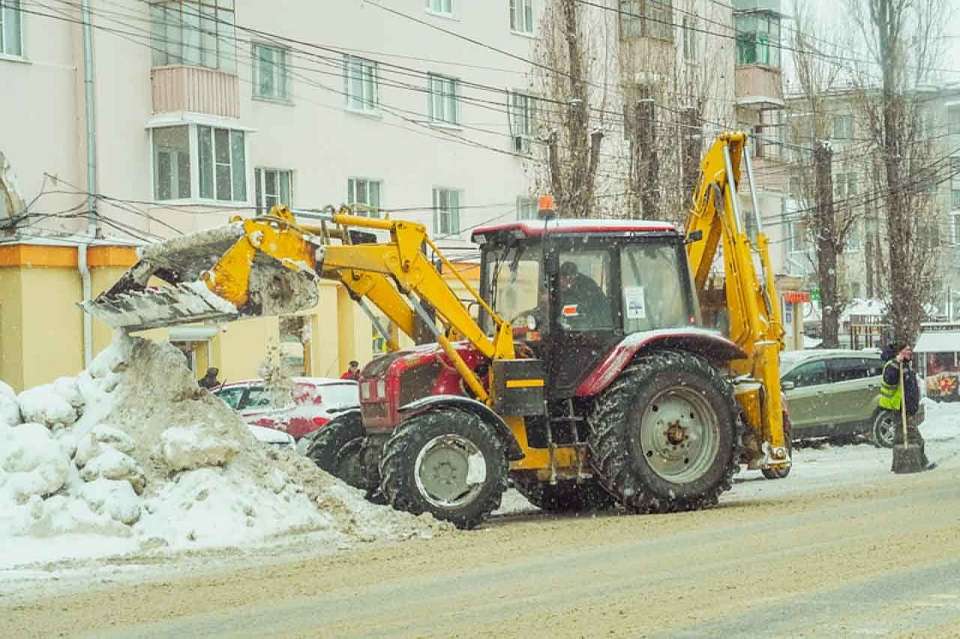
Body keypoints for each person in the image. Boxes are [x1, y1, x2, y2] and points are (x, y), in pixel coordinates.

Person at [879, 342, 935, 470]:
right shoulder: (892, 366)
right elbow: (890, 380)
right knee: (912, 436)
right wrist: (895, 364)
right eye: (907, 350)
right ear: (900, 352)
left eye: (910, 350)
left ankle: (902, 464)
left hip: (907, 409)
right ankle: (920, 462)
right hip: (899, 408)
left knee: (902, 437)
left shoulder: (905, 365)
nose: (910, 352)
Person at [557, 261, 611, 330]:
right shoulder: (559, 291)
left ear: (572, 278)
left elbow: (590, 311)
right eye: (561, 279)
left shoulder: (588, 289)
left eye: (567, 279)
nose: (562, 283)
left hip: (591, 329)